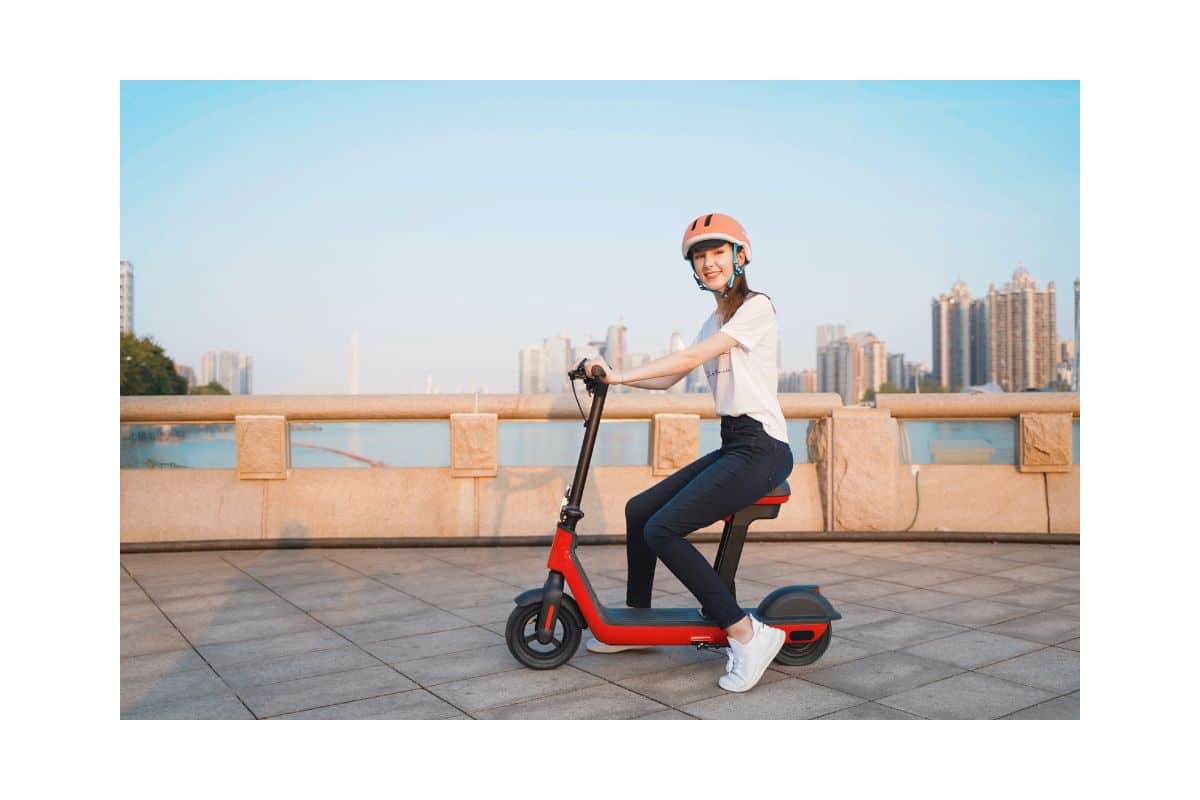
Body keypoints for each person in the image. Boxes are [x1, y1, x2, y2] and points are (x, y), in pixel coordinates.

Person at [581, 213, 794, 693]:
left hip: (763, 447)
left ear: (741, 257)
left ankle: (746, 634)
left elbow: (686, 359)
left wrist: (618, 377)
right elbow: (669, 377)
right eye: (701, 255)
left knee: (663, 528)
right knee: (641, 511)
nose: (709, 262)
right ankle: (635, 625)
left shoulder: (756, 308)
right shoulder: (712, 320)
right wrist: (612, 376)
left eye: (719, 252)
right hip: (735, 443)